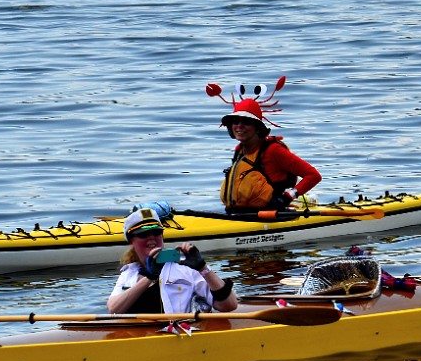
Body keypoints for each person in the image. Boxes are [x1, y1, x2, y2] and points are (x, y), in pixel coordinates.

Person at [108, 207, 238, 314]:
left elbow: (229, 305)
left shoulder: (186, 267)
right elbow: (114, 309)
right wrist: (150, 277)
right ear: (131, 241)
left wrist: (203, 268)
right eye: (143, 234)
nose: (152, 238)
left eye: (157, 232)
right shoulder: (129, 273)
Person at [220, 98, 322, 213]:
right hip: (238, 214)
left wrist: (287, 198)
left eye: (246, 122)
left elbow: (313, 175)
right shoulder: (239, 150)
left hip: (270, 215)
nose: (239, 126)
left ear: (257, 127)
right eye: (235, 121)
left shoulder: (274, 150)